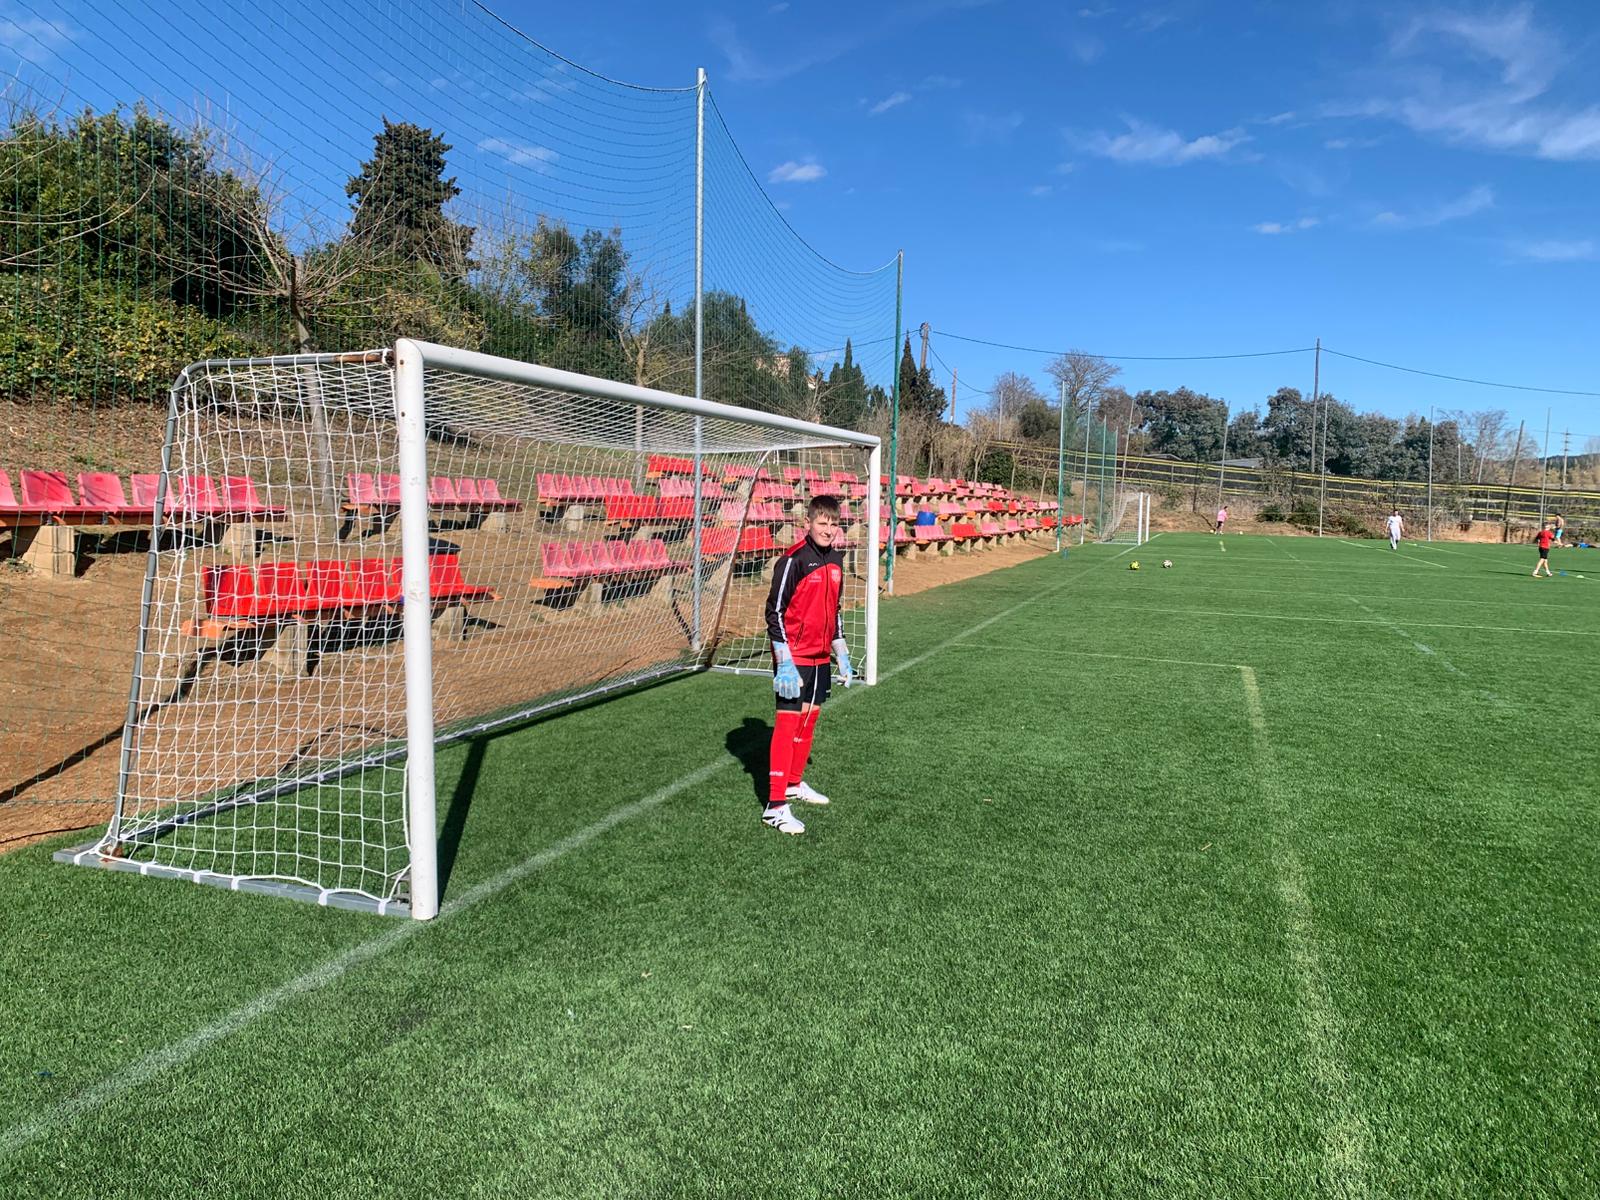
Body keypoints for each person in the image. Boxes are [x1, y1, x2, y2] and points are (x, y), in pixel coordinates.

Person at [762, 495, 853, 835]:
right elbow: (774, 612)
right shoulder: (793, 560)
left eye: (833, 524)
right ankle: (774, 807)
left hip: (820, 657)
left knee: (808, 722)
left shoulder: (837, 560)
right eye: (822, 523)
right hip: (794, 658)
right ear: (808, 524)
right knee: (787, 725)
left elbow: (835, 609)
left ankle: (793, 784)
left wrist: (840, 649)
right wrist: (783, 660)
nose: (828, 530)